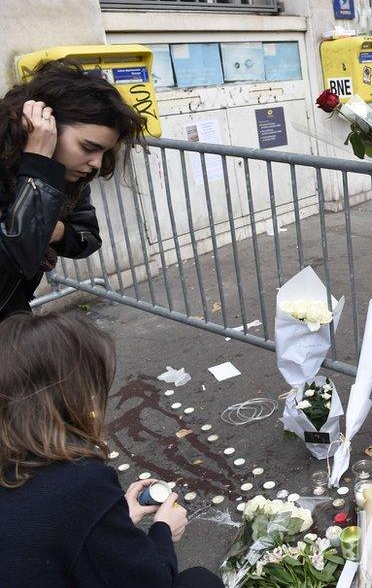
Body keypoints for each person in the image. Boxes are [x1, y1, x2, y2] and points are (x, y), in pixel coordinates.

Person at [0, 312, 222, 587]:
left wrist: (112, 520)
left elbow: (46, 534)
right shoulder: (79, 481)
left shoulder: (15, 461)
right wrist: (164, 530)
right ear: (69, 396)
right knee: (200, 581)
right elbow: (150, 580)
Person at [0, 59, 145, 321]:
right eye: (89, 148)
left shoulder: (67, 177)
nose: (97, 164)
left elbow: (88, 236)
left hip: (12, 310)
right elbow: (15, 257)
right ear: (46, 127)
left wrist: (58, 232)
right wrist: (39, 166)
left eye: (105, 152)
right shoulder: (38, 170)